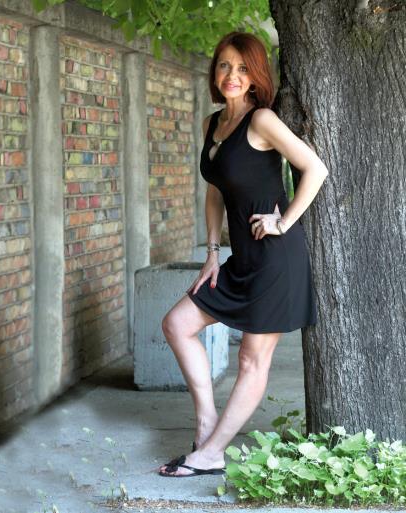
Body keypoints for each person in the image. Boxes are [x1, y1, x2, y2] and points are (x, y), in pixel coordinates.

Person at [158, 31, 329, 478]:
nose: (232, 75)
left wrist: (282, 222)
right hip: (240, 260)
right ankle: (206, 426)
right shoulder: (212, 124)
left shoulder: (262, 120)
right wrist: (212, 252)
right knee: (177, 324)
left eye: (242, 68)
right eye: (224, 65)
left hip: (277, 259)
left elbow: (315, 169)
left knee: (252, 359)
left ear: (255, 77)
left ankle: (212, 453)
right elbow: (215, 190)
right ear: (214, 71)